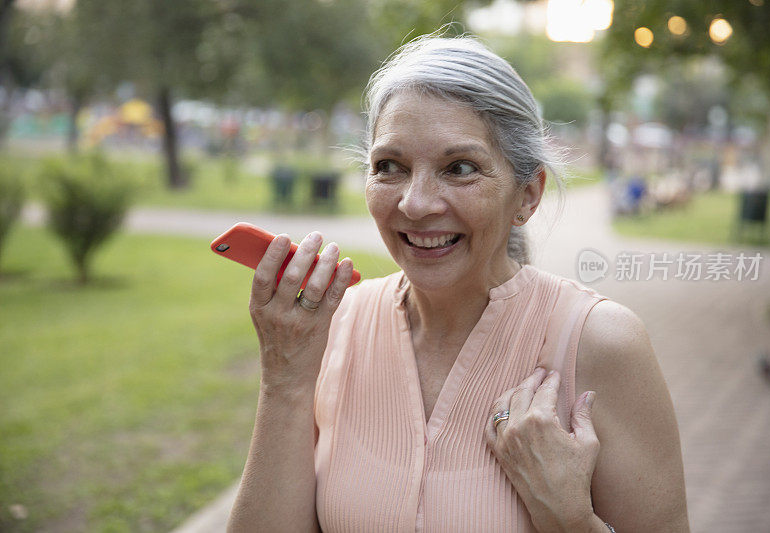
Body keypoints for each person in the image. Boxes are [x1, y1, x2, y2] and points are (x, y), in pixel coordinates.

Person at [228, 34, 689, 532]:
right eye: (390, 167)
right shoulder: (335, 325)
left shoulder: (602, 343)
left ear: (527, 196)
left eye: (460, 168)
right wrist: (285, 381)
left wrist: (570, 517)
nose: (415, 203)